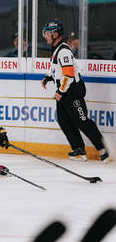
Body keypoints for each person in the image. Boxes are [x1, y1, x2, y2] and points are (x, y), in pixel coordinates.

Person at [40, 20, 109, 163]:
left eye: (48, 33)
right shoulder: (56, 49)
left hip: (71, 92)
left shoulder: (64, 50)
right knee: (64, 121)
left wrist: (61, 91)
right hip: (64, 92)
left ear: (56, 34)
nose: (45, 36)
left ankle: (103, 149)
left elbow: (69, 74)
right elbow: (57, 70)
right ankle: (79, 150)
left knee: (82, 121)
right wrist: (48, 78)